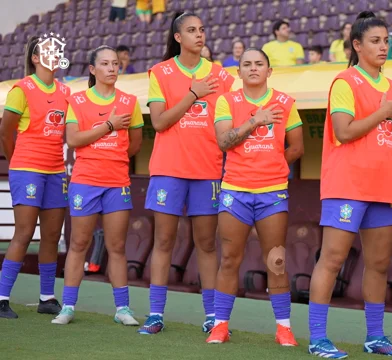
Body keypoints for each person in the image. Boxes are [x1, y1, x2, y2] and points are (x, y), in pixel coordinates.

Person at [307, 11, 392, 358]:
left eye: (386, 41)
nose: (383, 47)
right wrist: (381, 113)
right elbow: (343, 131)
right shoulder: (345, 82)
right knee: (332, 260)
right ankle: (318, 337)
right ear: (357, 45)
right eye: (376, 41)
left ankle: (375, 337)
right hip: (347, 186)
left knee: (379, 265)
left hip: (384, 188)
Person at [137, 12, 235, 335]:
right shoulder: (161, 72)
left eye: (202, 29)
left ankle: (212, 316)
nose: (199, 34)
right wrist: (193, 93)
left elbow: (236, 112)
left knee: (206, 244)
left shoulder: (221, 75)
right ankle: (155, 314)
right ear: (178, 37)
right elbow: (160, 122)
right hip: (168, 170)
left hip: (207, 171)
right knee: (164, 241)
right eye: (191, 30)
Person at [206, 48, 304, 346]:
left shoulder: (286, 102)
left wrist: (271, 166)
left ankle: (284, 328)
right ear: (238, 72)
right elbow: (224, 141)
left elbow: (297, 148)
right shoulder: (227, 101)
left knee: (276, 260)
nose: (252, 68)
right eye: (246, 64)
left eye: (258, 64)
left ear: (269, 71)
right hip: (235, 191)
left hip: (272, 192)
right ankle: (220, 325)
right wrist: (255, 121)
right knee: (229, 260)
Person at [51, 46, 143, 325]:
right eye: (105, 64)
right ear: (93, 69)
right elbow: (74, 140)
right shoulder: (77, 100)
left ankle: (122, 309)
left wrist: (111, 154)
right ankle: (68, 307)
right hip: (85, 181)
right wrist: (109, 126)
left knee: (116, 246)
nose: (112, 68)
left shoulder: (130, 101)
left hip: (117, 182)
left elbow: (135, 144)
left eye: (115, 63)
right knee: (79, 244)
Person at [0, 36, 71, 319]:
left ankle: (47, 297)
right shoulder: (22, 88)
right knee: (24, 232)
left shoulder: (66, 90)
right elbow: (6, 131)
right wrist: (16, 161)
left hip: (56, 171)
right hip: (28, 169)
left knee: (52, 236)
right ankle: (2, 297)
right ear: (35, 58)